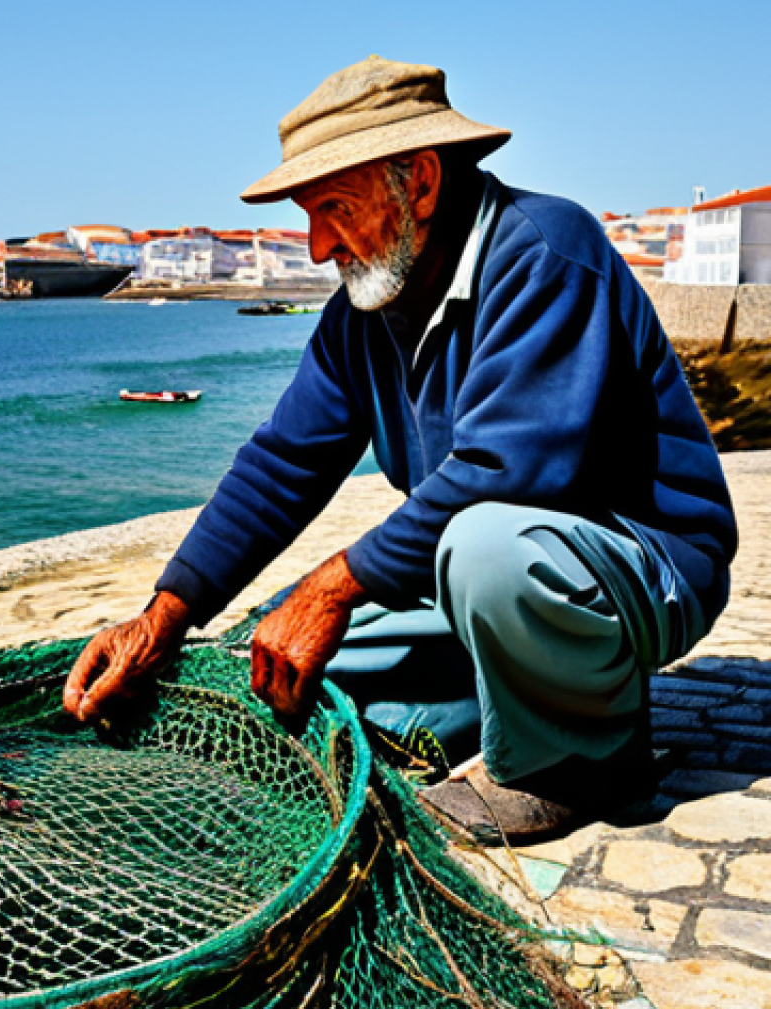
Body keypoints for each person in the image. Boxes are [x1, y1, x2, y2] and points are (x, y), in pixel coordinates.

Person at [64, 56, 737, 844]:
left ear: (417, 181)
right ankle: (509, 709)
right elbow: (283, 462)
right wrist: (165, 616)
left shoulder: (544, 251)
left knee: (480, 541)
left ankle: (578, 764)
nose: (318, 247)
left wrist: (329, 589)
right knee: (276, 669)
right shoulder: (363, 310)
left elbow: (506, 474)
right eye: (306, 216)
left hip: (641, 569)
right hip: (490, 585)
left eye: (334, 209)